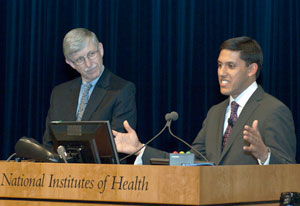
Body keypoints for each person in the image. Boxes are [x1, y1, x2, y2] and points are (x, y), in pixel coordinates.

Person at [113, 36, 296, 165]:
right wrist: (141, 149)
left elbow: (289, 172)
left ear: (251, 69)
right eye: (219, 65)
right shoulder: (216, 112)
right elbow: (191, 163)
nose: (221, 73)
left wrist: (265, 155)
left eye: (230, 66)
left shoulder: (273, 110)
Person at [43, 28, 137, 148]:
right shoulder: (59, 94)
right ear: (70, 63)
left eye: (91, 54)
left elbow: (118, 144)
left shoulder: (122, 90)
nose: (89, 64)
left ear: (101, 49)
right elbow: (49, 143)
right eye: (80, 59)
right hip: (62, 166)